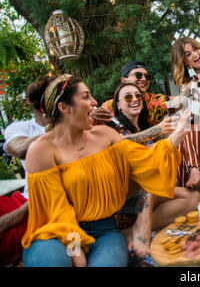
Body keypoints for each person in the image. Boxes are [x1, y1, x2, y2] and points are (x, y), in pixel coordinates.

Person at [21, 74, 190, 267]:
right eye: (85, 97)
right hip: (55, 232)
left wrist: (175, 138)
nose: (95, 102)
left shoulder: (105, 135)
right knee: (56, 262)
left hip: (103, 231)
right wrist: (76, 252)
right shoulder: (41, 150)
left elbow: (145, 162)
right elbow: (57, 211)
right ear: (64, 108)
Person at [110, 82, 200, 257]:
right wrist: (171, 136)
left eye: (138, 96)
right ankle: (139, 226)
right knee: (152, 163)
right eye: (128, 97)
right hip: (127, 198)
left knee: (194, 198)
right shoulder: (113, 128)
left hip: (149, 192)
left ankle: (137, 226)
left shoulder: (145, 125)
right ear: (118, 105)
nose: (135, 99)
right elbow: (130, 149)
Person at [94, 60, 200, 188]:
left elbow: (179, 102)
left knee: (188, 116)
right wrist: (90, 116)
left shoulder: (152, 100)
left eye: (147, 76)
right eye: (138, 75)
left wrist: (190, 87)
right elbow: (113, 143)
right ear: (123, 79)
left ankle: (194, 168)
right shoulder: (108, 107)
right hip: (131, 163)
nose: (144, 79)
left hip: (155, 149)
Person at [0, 77, 49, 266]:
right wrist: (58, 130)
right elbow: (19, 149)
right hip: (25, 199)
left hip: (47, 208)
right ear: (30, 101)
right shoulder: (21, 128)